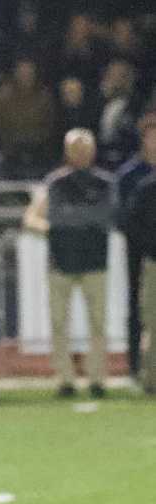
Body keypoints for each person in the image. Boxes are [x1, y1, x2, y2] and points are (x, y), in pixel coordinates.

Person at [23, 129, 113, 398]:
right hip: (61, 261)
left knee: (98, 323)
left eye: (85, 149)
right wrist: (61, 225)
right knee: (59, 323)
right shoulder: (54, 183)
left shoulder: (104, 183)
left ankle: (97, 378)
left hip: (94, 261)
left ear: (93, 152)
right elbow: (33, 219)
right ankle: (65, 379)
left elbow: (105, 217)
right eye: (76, 149)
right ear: (67, 152)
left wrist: (65, 221)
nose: (81, 154)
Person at [115, 113, 156, 379]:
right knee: (138, 307)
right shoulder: (130, 174)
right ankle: (135, 366)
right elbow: (123, 216)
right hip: (140, 249)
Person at [125, 173, 156, 393]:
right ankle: (151, 379)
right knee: (152, 323)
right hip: (154, 261)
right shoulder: (147, 188)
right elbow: (134, 223)